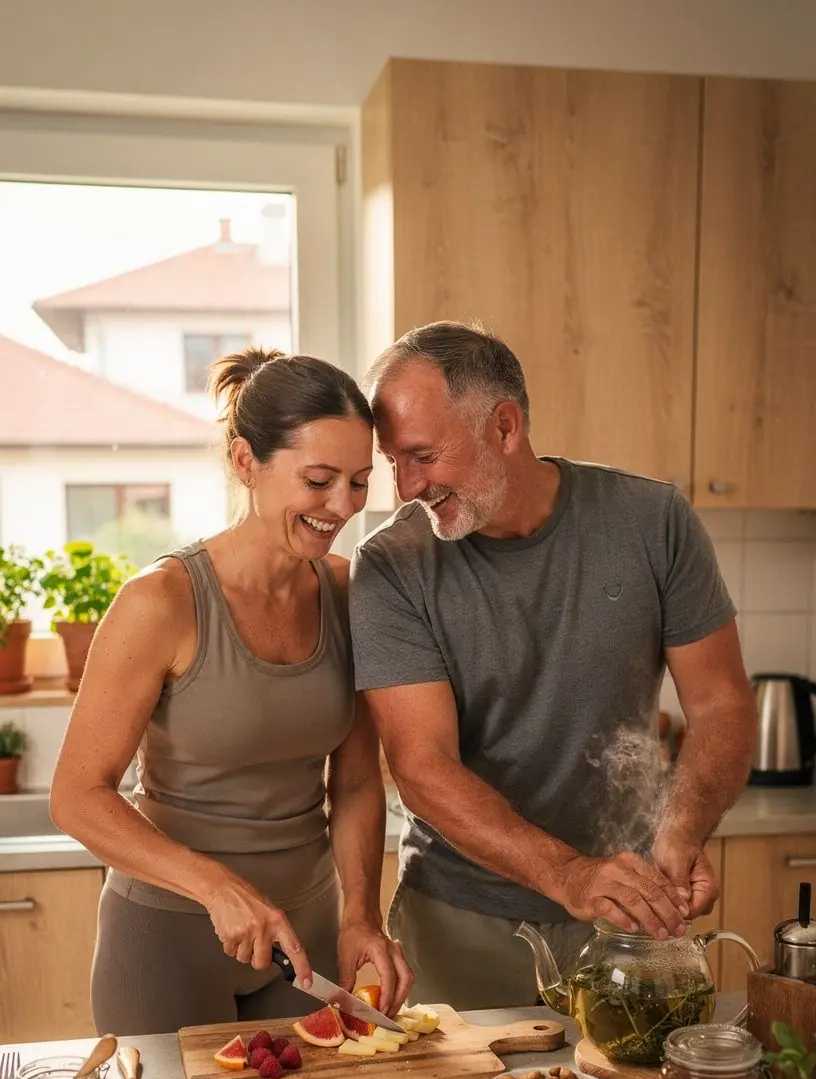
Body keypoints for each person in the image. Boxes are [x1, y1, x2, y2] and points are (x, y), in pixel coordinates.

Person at [349, 322, 757, 1009]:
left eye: (421, 456)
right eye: (393, 460)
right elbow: (422, 765)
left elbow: (721, 704)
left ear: (504, 428)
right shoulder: (392, 564)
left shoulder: (653, 520)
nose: (405, 486)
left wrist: (682, 827)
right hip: (460, 925)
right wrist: (567, 873)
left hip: (630, 916)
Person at [51, 347, 414, 1033]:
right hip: (168, 941)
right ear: (248, 463)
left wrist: (360, 914)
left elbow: (360, 780)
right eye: (319, 480)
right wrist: (217, 886)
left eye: (361, 482)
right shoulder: (161, 601)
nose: (343, 507)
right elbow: (76, 796)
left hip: (304, 941)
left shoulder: (348, 593)